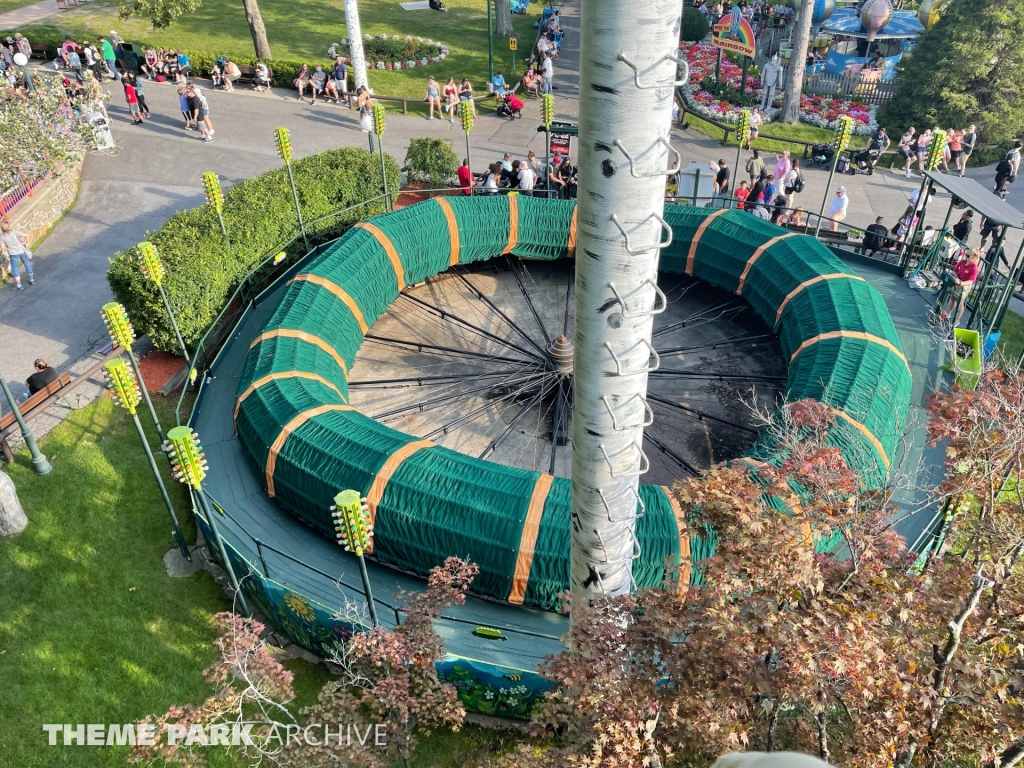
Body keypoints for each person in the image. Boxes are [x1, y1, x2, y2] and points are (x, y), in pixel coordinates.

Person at [943, 249, 981, 323]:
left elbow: (971, 281)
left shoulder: (974, 268)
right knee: (953, 298)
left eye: (968, 255)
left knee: (960, 302)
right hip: (957, 282)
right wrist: (957, 278)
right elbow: (954, 271)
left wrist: (961, 283)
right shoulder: (962, 262)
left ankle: (957, 320)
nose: (965, 256)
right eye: (966, 254)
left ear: (973, 258)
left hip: (964, 285)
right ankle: (947, 313)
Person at [1, 221, 33, 290]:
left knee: (15, 269)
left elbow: (2, 247)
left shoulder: (1, 237)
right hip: (21, 251)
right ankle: (31, 280)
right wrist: (24, 242)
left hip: (13, 254)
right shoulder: (14, 232)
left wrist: (7, 247)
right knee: (27, 264)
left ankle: (19, 285)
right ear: (9, 226)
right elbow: (27, 235)